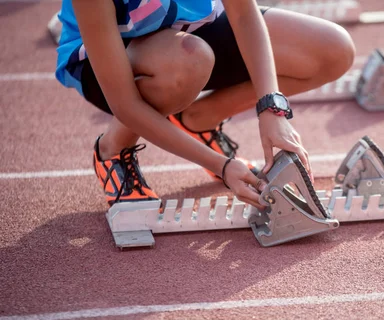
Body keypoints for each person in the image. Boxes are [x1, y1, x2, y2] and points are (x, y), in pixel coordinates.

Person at [55, 0, 355, 209]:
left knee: (333, 49)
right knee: (190, 59)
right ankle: (112, 151)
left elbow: (244, 15)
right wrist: (221, 167)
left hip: (190, 32)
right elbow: (125, 104)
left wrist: (271, 107)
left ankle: (200, 118)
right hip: (107, 61)